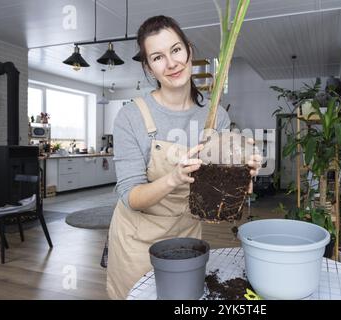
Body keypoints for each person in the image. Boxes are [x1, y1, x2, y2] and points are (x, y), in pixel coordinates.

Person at [106, 15, 261, 300]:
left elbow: (223, 191)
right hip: (137, 243)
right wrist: (174, 177)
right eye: (157, 57)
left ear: (189, 49)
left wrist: (244, 173)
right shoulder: (131, 116)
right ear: (149, 68)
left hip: (188, 238)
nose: (171, 63)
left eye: (176, 50)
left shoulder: (216, 118)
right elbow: (130, 196)